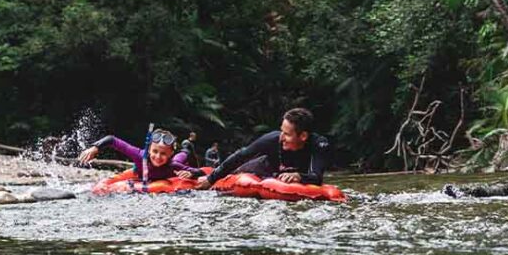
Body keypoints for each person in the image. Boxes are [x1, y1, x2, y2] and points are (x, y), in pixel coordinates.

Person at [196, 108, 329, 189]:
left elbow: (316, 177)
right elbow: (240, 156)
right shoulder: (271, 140)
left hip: (286, 172)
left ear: (303, 136)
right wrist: (210, 179)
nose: (281, 137)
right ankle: (198, 172)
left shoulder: (318, 144)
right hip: (263, 166)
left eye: (287, 134)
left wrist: (299, 176)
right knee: (238, 170)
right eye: (281, 131)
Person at [78, 128, 202, 181]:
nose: (158, 157)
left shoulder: (173, 165)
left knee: (182, 155)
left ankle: (186, 148)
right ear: (148, 150)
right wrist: (95, 148)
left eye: (163, 153)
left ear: (170, 154)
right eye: (155, 151)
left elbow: (202, 172)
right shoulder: (139, 155)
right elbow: (112, 140)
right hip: (141, 172)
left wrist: (192, 173)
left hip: (176, 160)